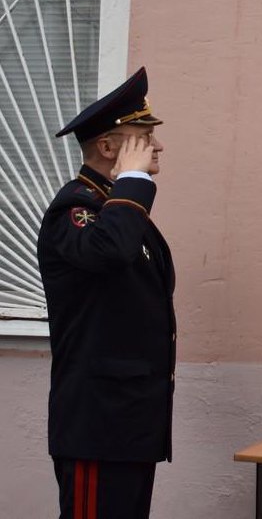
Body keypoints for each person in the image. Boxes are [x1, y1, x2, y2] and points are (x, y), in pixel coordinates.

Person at [37, 67, 176, 519]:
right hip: (98, 423)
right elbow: (110, 252)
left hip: (129, 424)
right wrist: (135, 180)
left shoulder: (117, 208)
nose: (157, 146)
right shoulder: (75, 208)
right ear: (109, 147)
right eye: (143, 136)